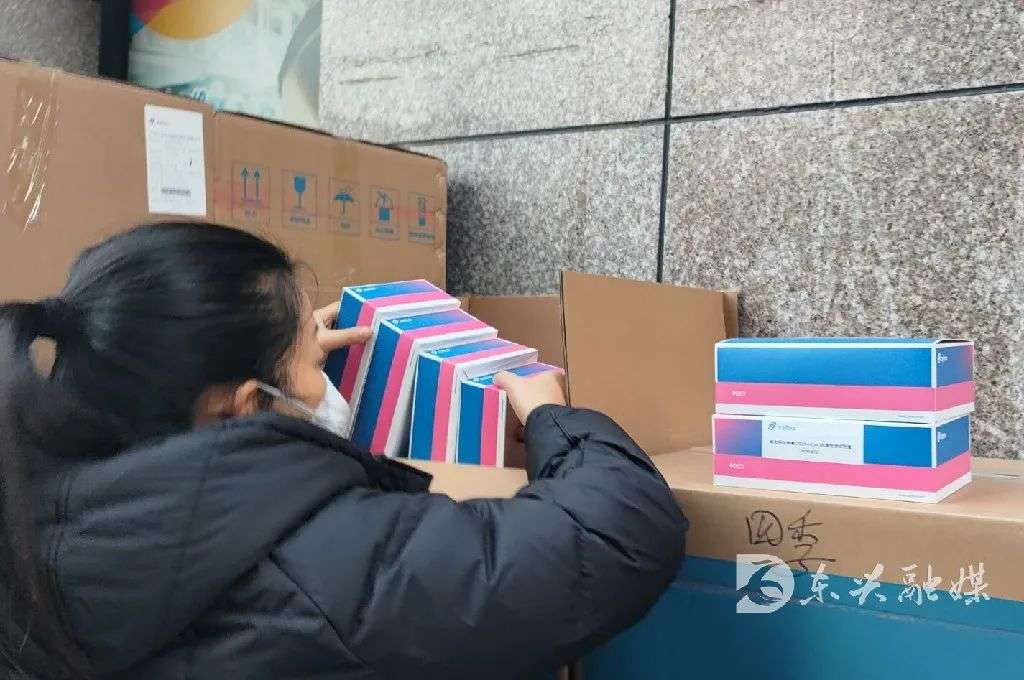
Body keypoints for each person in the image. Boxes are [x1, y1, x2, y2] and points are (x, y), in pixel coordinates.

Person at [0, 223, 688, 680]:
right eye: (310, 360)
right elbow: (616, 536)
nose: (324, 381)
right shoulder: (332, 570)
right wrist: (551, 416)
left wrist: (286, 364)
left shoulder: (32, 528)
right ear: (242, 404)